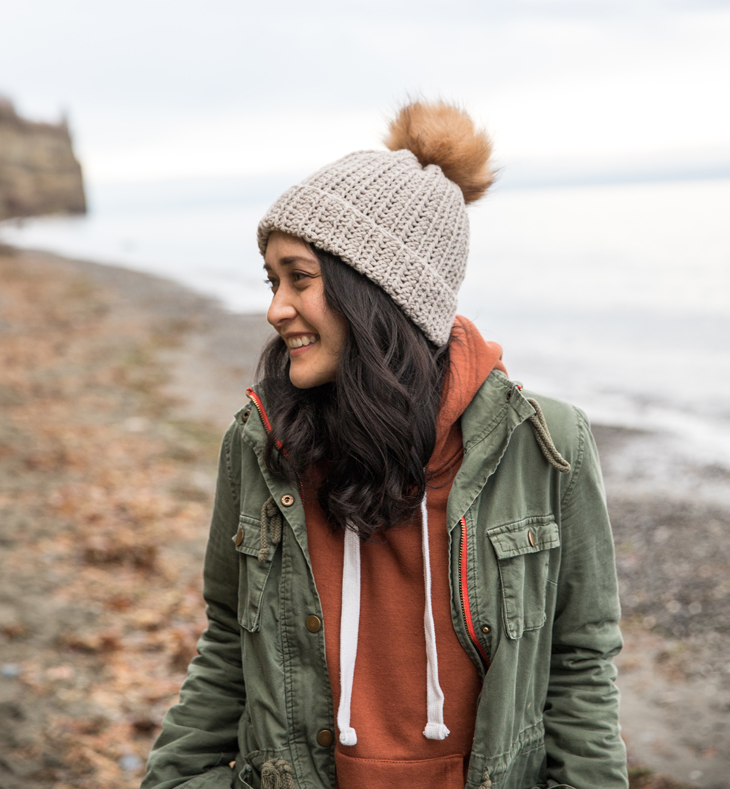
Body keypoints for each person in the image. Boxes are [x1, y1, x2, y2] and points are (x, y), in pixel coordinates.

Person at [142, 101, 628, 789]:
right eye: (271, 279)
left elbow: (580, 663)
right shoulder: (259, 445)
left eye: (299, 277)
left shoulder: (547, 446)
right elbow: (229, 639)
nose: (276, 306)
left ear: (377, 291)